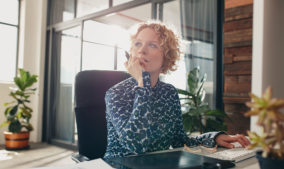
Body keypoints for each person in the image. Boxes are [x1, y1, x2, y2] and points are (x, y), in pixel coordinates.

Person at [103, 21, 250, 159]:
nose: (142, 50)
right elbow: (135, 146)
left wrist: (214, 138)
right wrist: (142, 84)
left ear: (166, 56)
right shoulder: (116, 93)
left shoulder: (169, 92)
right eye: (137, 44)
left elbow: (180, 140)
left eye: (152, 45)